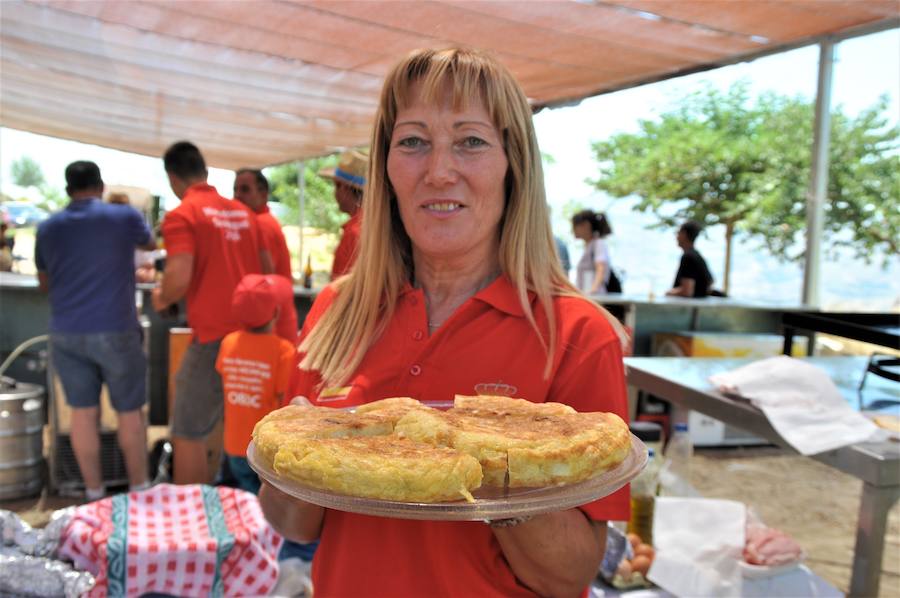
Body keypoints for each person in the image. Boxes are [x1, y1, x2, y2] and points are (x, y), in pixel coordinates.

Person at [258, 47, 630, 597]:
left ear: (514, 164)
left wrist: (495, 464)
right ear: (386, 166)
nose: (438, 171)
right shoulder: (338, 311)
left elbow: (568, 575)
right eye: (412, 141)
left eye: (471, 141)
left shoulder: (576, 335)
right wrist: (303, 452)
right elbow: (292, 525)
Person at [151, 141, 271, 485]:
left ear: (173, 178)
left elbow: (178, 277)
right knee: (229, 424)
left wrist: (162, 297)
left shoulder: (182, 214)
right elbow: (267, 270)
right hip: (253, 337)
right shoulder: (245, 214)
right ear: (204, 171)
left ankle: (193, 517)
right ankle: (223, 500)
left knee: (188, 428)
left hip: (212, 338)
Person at [35, 161, 154, 500]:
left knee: (82, 414)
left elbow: (45, 283)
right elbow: (150, 245)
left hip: (67, 332)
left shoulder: (47, 228)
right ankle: (140, 491)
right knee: (129, 412)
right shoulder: (125, 217)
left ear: (67, 189)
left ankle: (93, 493)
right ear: (100, 186)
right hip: (116, 329)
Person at [216, 274, 296, 493]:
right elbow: (284, 403)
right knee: (265, 500)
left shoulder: (228, 343)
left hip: (232, 444)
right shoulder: (284, 351)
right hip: (263, 447)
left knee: (244, 494)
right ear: (277, 313)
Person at [234, 168, 300, 343]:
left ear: (263, 193)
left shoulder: (261, 225)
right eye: (236, 190)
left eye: (245, 189)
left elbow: (265, 277)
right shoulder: (261, 222)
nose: (238, 195)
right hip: (272, 323)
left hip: (271, 328)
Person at [318, 149, 368, 279]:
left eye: (336, 186)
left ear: (344, 187)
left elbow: (342, 288)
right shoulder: (371, 226)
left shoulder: (355, 232)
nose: (335, 193)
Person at [666, 220, 713, 298]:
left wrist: (669, 293)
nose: (676, 237)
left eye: (678, 233)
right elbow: (710, 283)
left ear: (684, 234)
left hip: (689, 307)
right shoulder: (697, 256)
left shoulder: (688, 257)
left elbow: (687, 291)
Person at [572, 209, 614, 295]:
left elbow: (601, 267)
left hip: (595, 297)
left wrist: (593, 290)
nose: (573, 230)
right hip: (588, 295)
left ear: (586, 225)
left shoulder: (598, 244)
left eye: (575, 226)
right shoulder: (589, 246)